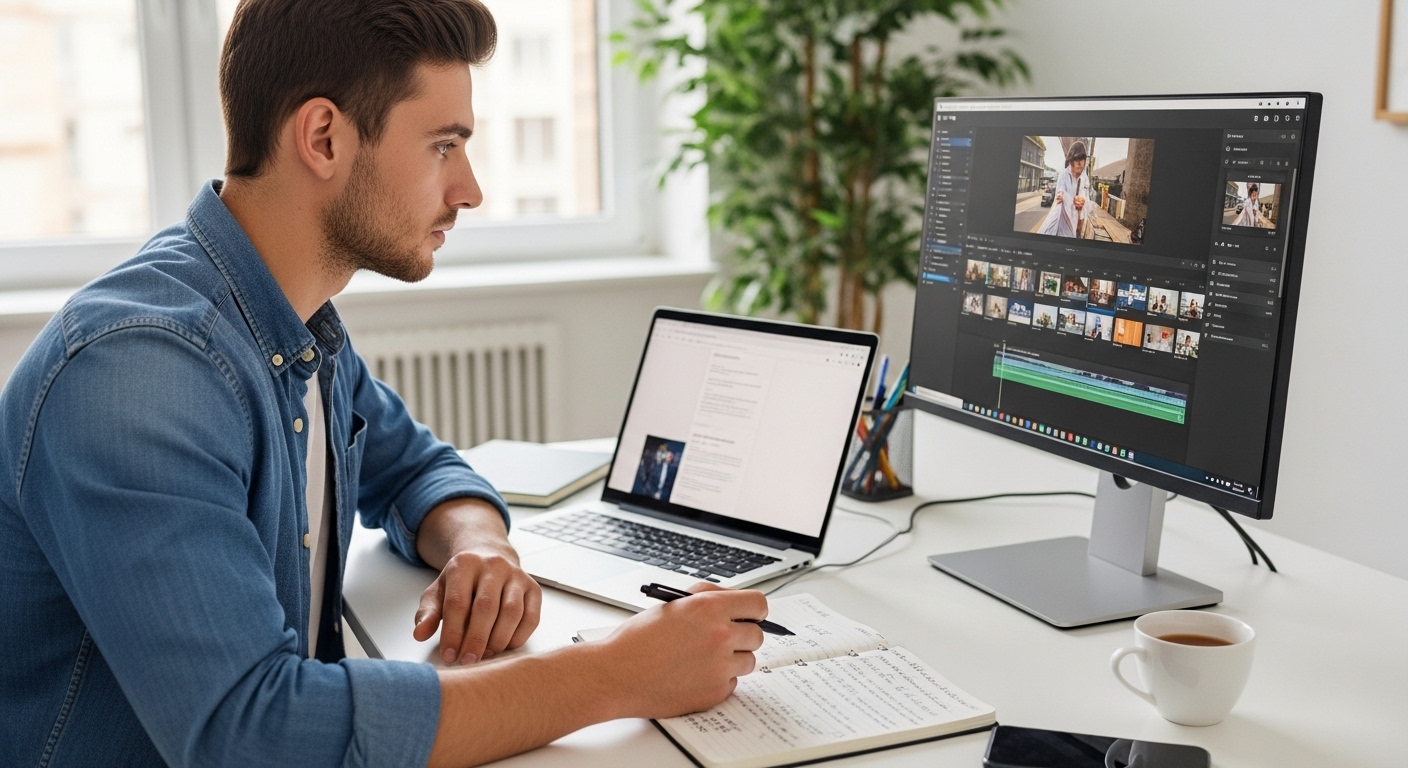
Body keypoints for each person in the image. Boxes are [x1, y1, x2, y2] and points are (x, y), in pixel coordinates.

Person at [0, 2, 766, 767]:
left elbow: (418, 466)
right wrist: (618, 673)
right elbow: (252, 734)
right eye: (443, 146)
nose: (469, 190)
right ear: (324, 138)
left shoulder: (289, 324)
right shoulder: (138, 372)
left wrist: (481, 547)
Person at [1037, 140, 1090, 238]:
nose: (1079, 163)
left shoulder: (1085, 178)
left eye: (1082, 159)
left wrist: (1083, 201)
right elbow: (1060, 191)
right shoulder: (1064, 174)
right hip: (1063, 220)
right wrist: (1062, 195)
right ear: (1071, 160)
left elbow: (1086, 199)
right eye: (1076, 159)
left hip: (1078, 221)